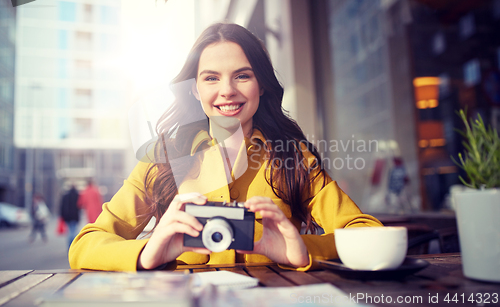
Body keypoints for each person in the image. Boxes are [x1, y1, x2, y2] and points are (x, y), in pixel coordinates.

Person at [69, 23, 382, 271]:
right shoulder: (161, 158)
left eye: (242, 76)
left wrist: (301, 250)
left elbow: (369, 235)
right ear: (194, 89)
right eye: (211, 78)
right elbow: (85, 244)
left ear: (261, 84)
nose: (227, 91)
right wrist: (146, 253)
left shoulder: (294, 157)